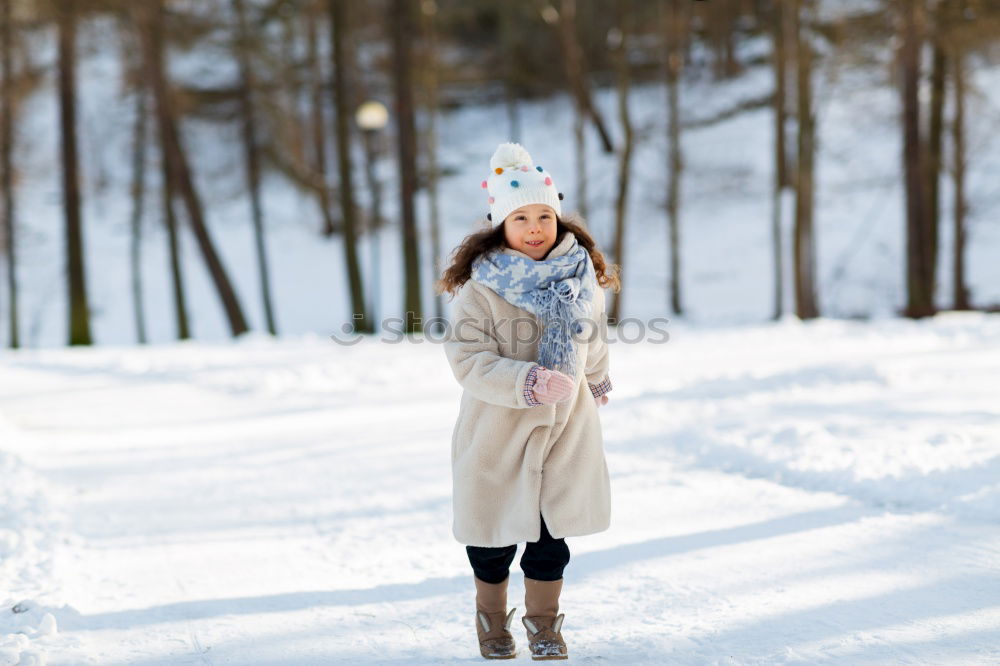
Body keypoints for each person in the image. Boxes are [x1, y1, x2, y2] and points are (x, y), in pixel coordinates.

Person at [437, 142, 621, 660]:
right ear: (502, 225)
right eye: (522, 218)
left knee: (550, 539)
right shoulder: (481, 289)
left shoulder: (581, 277)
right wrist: (528, 382)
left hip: (566, 429)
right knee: (493, 539)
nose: (536, 226)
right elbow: (468, 360)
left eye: (545, 215)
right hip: (500, 430)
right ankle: (491, 621)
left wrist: (599, 378)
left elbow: (594, 338)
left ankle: (544, 626)